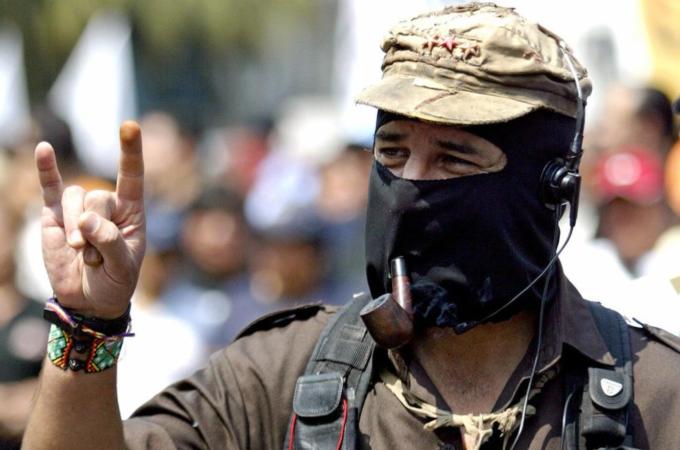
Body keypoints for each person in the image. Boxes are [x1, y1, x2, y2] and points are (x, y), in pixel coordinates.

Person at [22, 4, 680, 450]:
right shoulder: (279, 376)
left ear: (551, 187)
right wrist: (88, 323)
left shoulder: (655, 394)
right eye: (392, 152)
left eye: (454, 159)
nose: (410, 186)